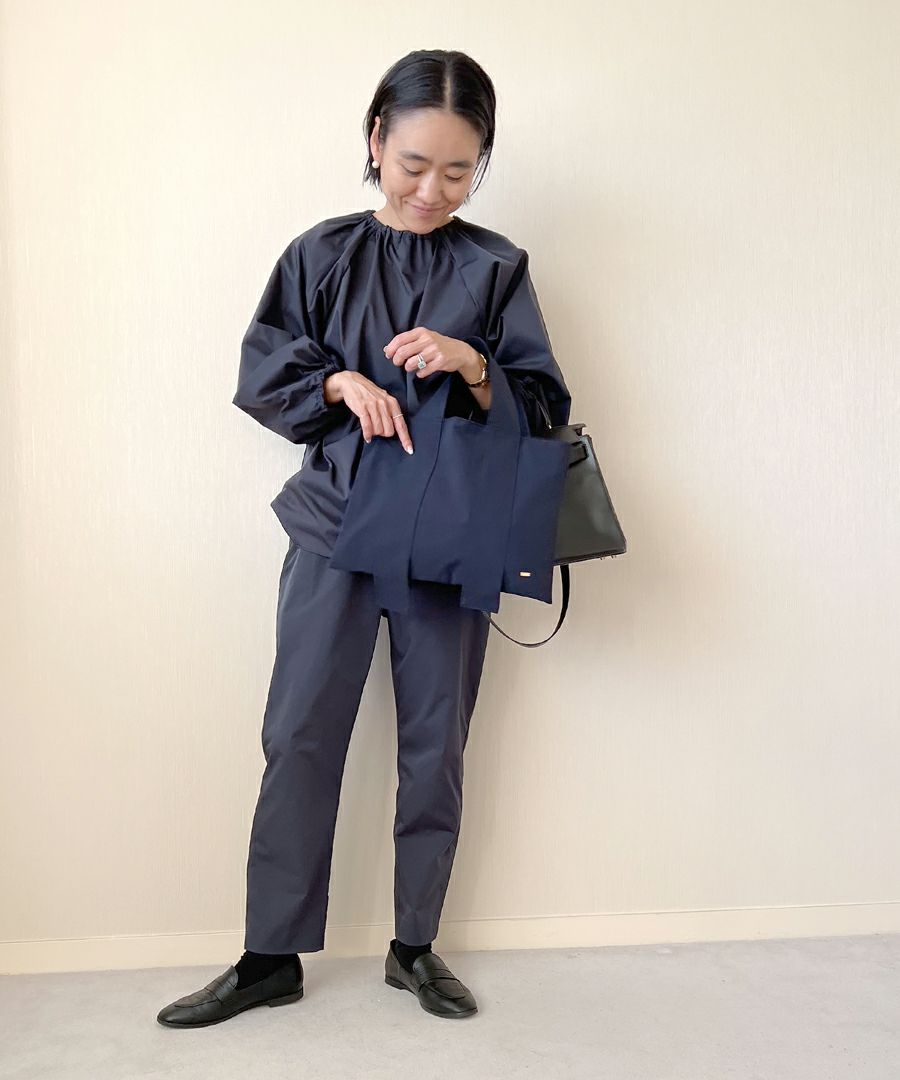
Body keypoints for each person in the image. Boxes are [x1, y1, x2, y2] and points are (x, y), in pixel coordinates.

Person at [157, 48, 571, 1029]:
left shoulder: (495, 268)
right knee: (299, 733)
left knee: (436, 744)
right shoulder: (321, 254)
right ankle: (269, 956)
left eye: (458, 171)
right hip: (335, 527)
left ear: (481, 165)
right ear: (376, 140)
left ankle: (414, 946)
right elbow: (264, 372)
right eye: (414, 163)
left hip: (451, 539)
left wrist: (473, 362)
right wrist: (339, 382)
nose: (432, 189)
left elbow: (544, 408)